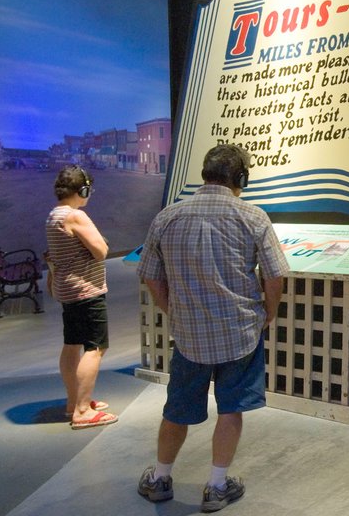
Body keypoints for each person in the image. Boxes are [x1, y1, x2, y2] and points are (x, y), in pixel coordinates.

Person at [136, 143, 287, 513]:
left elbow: (151, 277)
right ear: (241, 178)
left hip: (189, 337)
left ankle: (159, 477)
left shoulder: (168, 217)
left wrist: (172, 309)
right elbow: (275, 275)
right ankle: (217, 486)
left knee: (177, 410)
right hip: (241, 333)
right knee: (231, 408)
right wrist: (268, 312)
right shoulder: (252, 217)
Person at [45, 165, 117, 429]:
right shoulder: (76, 216)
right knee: (95, 347)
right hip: (87, 290)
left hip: (68, 290)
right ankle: (83, 410)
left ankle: (73, 401)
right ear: (82, 189)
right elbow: (100, 251)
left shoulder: (54, 215)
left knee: (72, 343)